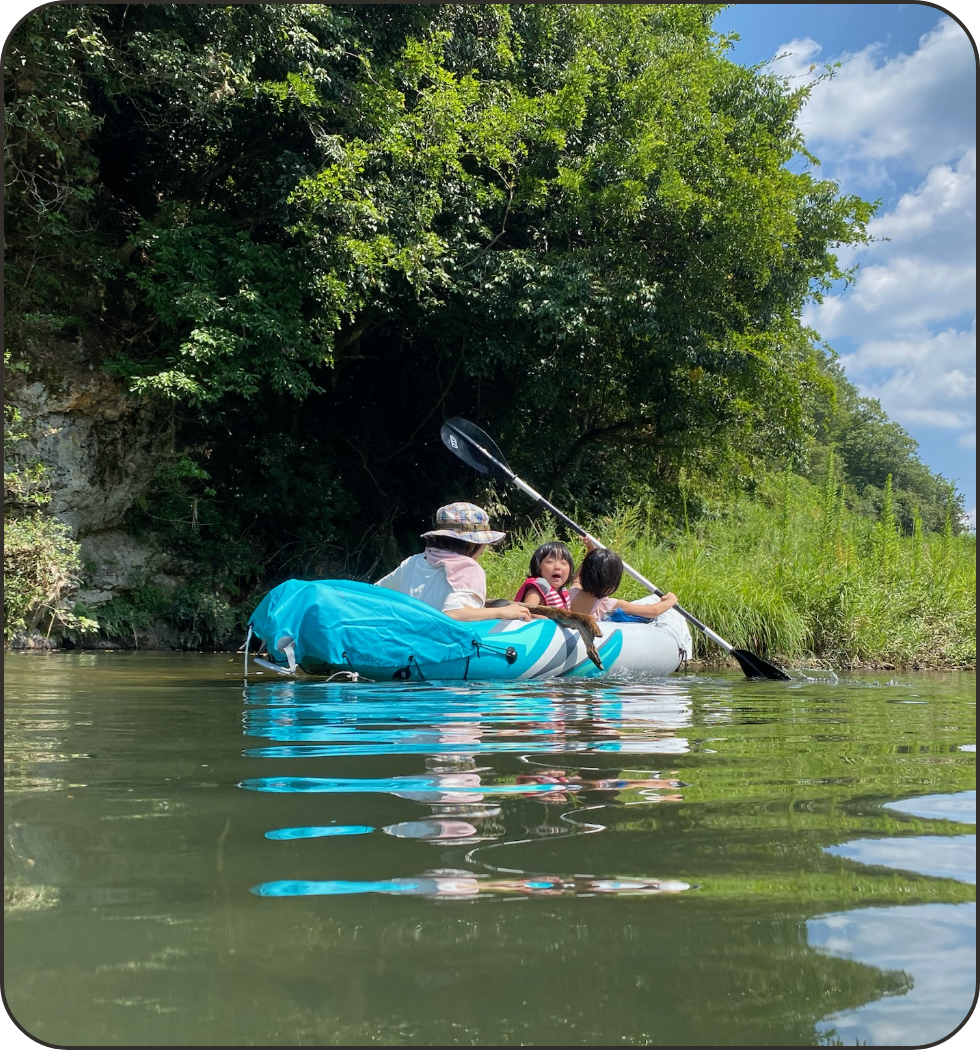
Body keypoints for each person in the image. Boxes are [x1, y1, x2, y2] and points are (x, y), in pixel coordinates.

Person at [375, 502, 532, 623]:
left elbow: (376, 592)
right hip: (438, 649)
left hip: (404, 642)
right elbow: (455, 614)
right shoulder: (467, 568)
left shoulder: (413, 562)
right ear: (473, 544)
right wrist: (500, 612)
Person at [569, 547, 678, 621]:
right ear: (612, 582)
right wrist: (671, 600)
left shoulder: (573, 592)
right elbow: (653, 611)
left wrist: (590, 551)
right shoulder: (608, 605)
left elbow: (576, 579)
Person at [512, 541, 575, 609]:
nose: (557, 567)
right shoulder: (535, 592)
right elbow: (527, 611)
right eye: (550, 562)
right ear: (538, 566)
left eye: (563, 563)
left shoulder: (561, 592)